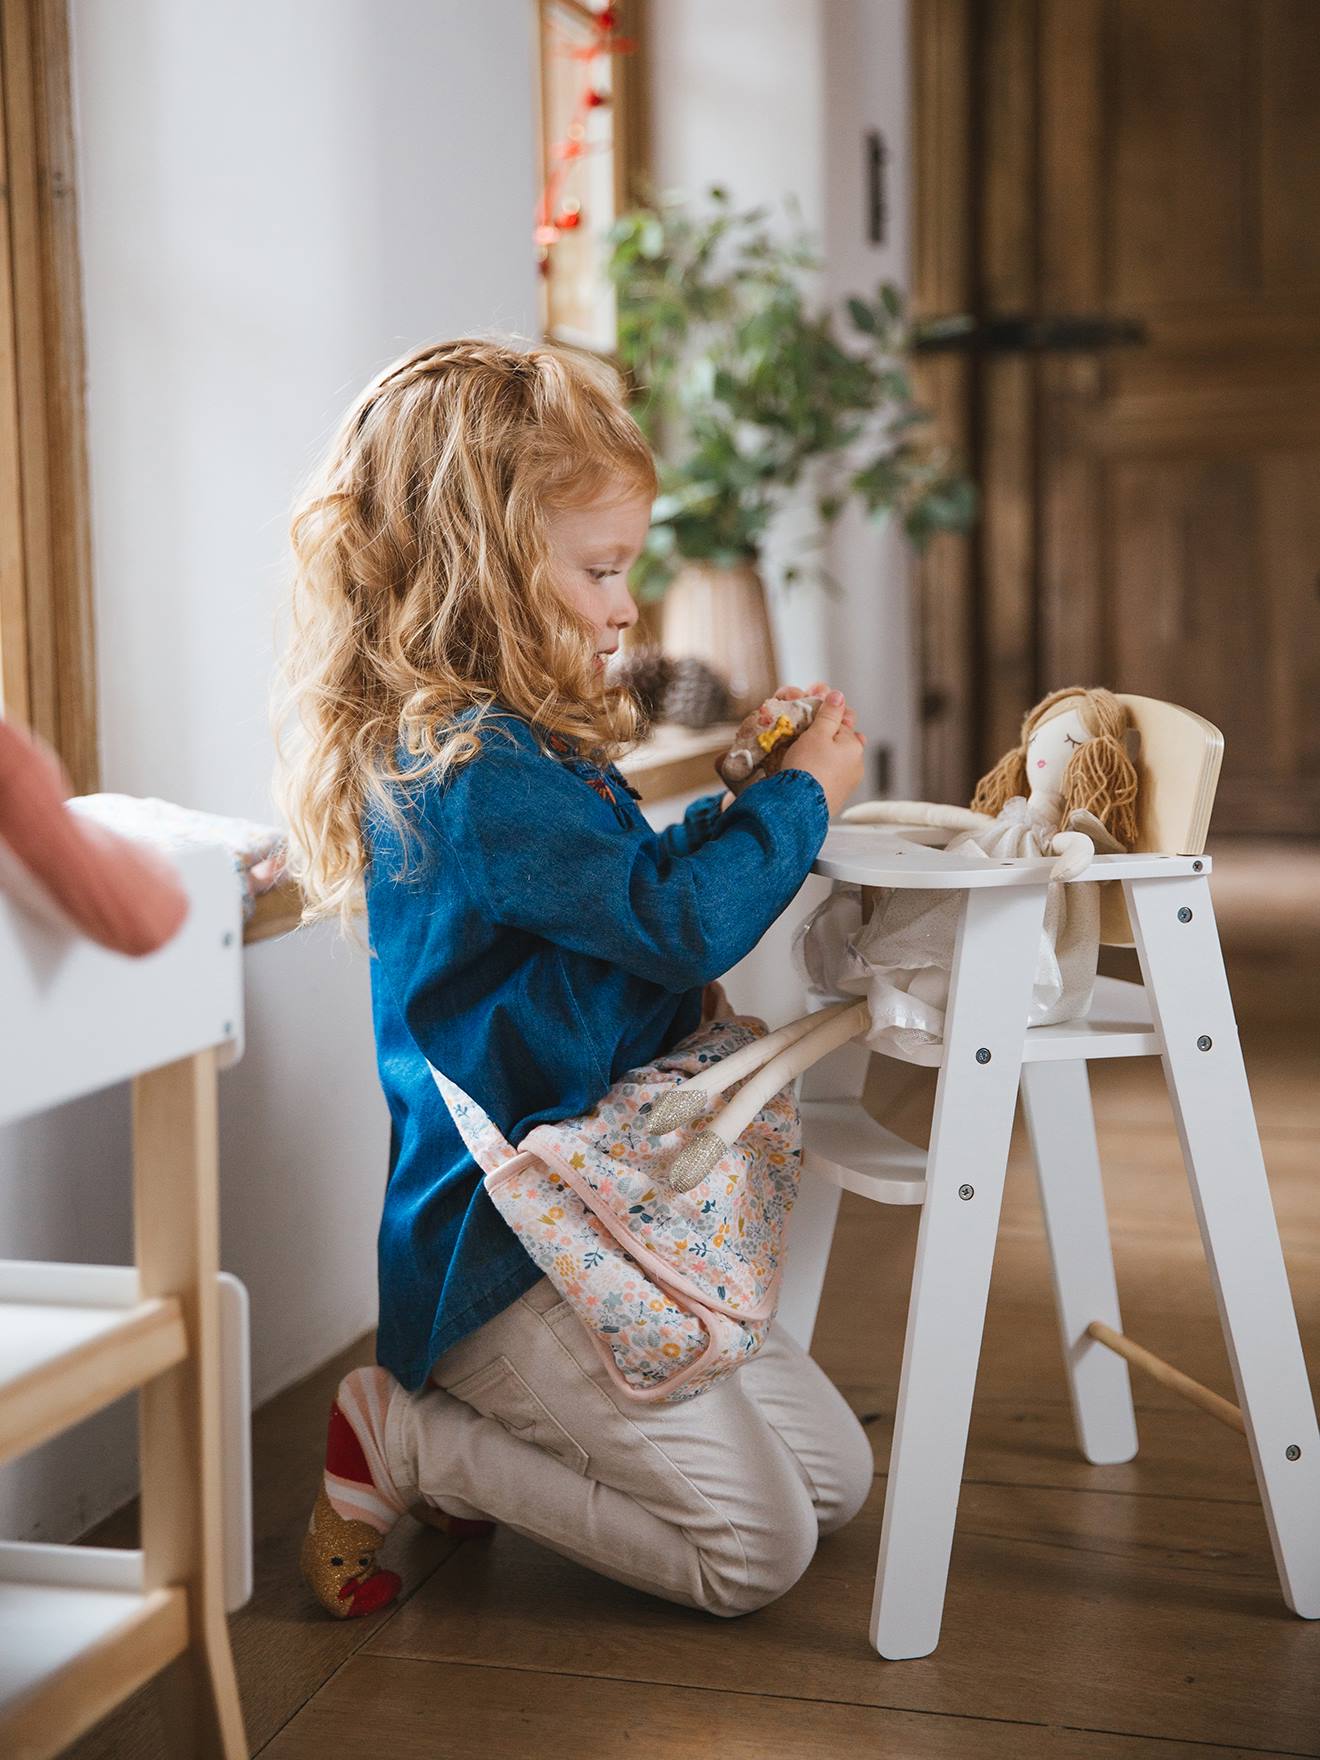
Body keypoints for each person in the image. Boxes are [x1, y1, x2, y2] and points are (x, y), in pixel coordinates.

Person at [273, 336, 874, 1624]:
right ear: (478, 569)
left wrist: (757, 805)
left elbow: (633, 896)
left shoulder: (524, 752)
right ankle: (412, 1440)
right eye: (600, 570)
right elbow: (677, 927)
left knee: (836, 1483)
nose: (623, 607)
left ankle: (499, 1445)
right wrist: (803, 803)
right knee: (754, 1555)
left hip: (600, 1218)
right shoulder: (471, 772)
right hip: (511, 1251)